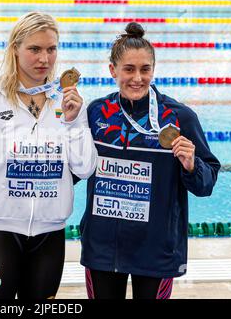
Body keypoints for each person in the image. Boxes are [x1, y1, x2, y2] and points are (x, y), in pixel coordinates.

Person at [81, 22, 221, 299]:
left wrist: (192, 164)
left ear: (153, 70)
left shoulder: (180, 117)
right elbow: (76, 169)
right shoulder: (97, 113)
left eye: (145, 69)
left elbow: (207, 183)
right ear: (113, 70)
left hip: (156, 249)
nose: (137, 78)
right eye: (129, 69)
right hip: (103, 248)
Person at [0, 11, 97, 299]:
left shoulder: (68, 99)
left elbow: (85, 168)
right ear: (15, 49)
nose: (44, 59)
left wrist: (74, 123)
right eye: (34, 49)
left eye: (51, 49)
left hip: (50, 234)